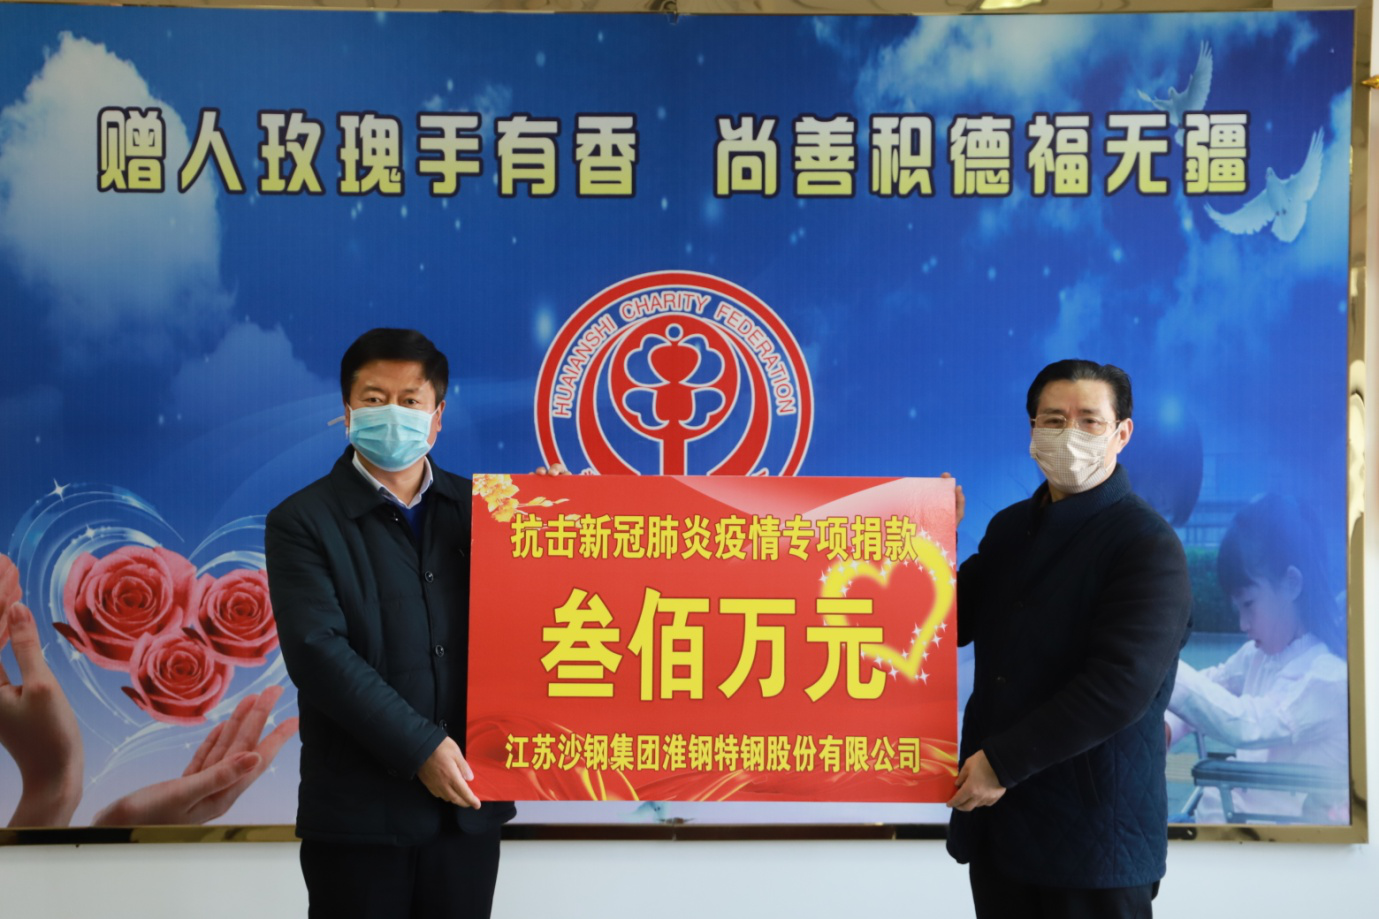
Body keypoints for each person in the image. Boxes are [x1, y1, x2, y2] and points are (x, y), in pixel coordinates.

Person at [266, 328, 515, 919]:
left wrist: (559, 525)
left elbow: (540, 623)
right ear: (348, 411)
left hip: (467, 811)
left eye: (410, 400)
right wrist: (421, 747)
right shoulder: (302, 520)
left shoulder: (491, 512)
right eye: (375, 399)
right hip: (358, 820)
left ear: (437, 417)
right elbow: (318, 653)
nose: (393, 414)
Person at [946, 359, 1193, 918]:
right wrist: (934, 541)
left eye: (1089, 421)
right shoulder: (1009, 528)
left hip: (1094, 838)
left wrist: (1001, 764)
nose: (1069, 434)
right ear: (1032, 429)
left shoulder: (1146, 544)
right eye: (1054, 420)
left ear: (1122, 433)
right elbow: (951, 624)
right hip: (1000, 828)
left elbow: (1120, 685)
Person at [1166, 494, 1348, 823]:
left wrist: (1163, 668)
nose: (1243, 624)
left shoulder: (1328, 678)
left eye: (1248, 604)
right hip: (1234, 819)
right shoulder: (1262, 655)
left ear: (1292, 584)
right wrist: (1169, 728)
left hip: (1279, 839)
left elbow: (1247, 724)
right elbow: (1212, 687)